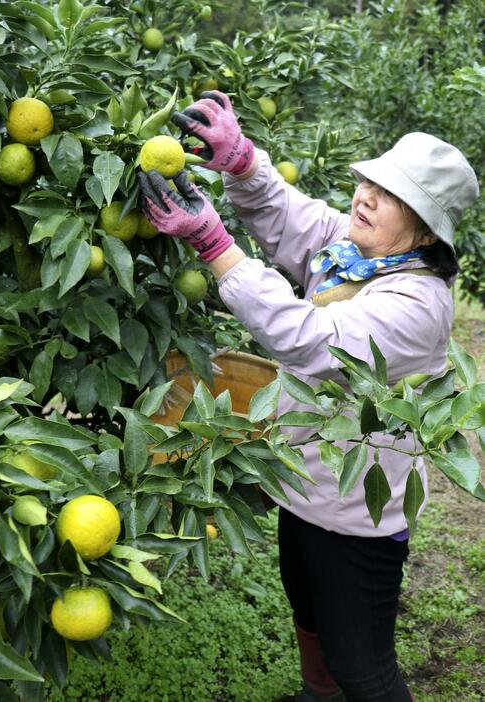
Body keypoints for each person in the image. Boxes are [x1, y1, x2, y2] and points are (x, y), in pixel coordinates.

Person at [138, 91, 479, 702]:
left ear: (427, 231)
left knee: (364, 668)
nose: (366, 197)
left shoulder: (416, 304)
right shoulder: (358, 252)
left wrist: (216, 247)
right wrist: (244, 162)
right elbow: (293, 216)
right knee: (308, 617)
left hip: (356, 513)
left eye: (392, 197)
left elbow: (310, 339)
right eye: (370, 182)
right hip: (301, 479)